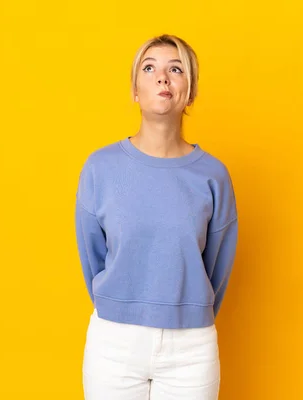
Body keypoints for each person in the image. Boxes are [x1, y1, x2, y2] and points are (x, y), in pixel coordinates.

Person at [74, 34, 239, 399]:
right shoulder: (100, 168)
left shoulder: (213, 176)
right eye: (149, 68)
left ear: (190, 92)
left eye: (175, 69)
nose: (162, 78)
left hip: (191, 348)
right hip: (113, 343)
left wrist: (188, 307)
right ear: (135, 90)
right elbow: (92, 258)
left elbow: (217, 267)